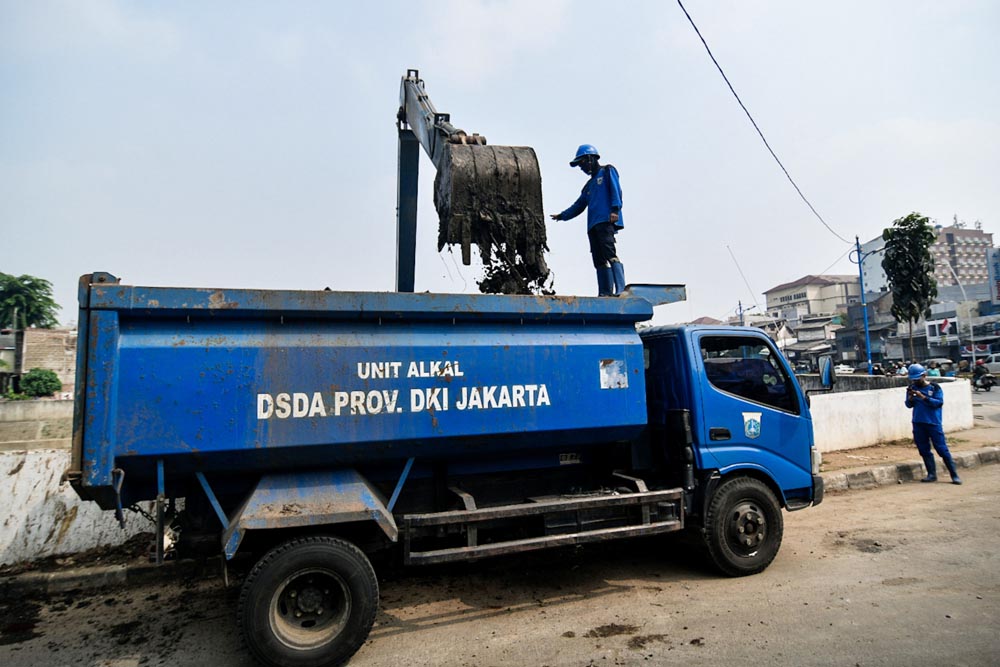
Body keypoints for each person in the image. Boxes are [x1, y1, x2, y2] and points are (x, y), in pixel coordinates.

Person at [549, 144, 625, 296]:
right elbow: (579, 205)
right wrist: (562, 216)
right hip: (592, 226)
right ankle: (604, 292)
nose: (582, 168)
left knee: (610, 253)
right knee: (598, 259)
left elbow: (616, 190)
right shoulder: (588, 186)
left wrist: (615, 209)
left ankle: (621, 289)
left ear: (591, 159)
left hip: (605, 220)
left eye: (582, 163)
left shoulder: (607, 170)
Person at [904, 364, 961, 484]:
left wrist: (923, 397)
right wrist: (910, 398)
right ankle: (931, 474)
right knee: (924, 449)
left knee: (942, 449)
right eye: (913, 379)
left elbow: (938, 403)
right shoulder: (912, 387)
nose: (915, 382)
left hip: (933, 422)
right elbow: (909, 406)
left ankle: (954, 474)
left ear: (924, 376)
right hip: (918, 422)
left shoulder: (935, 388)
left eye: (917, 379)